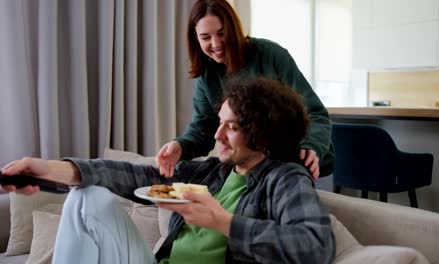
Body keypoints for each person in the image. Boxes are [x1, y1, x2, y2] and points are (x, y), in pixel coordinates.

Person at [1, 77, 336, 264]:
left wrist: (221, 221)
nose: (216, 136)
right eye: (219, 124)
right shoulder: (213, 172)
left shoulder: (285, 179)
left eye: (230, 128)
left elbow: (314, 246)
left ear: (263, 135)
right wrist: (43, 168)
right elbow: (134, 176)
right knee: (87, 196)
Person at [156, 0, 334, 180]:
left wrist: (312, 145)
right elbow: (203, 128)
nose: (216, 44)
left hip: (302, 165)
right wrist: (181, 146)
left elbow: (315, 114)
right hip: (254, 171)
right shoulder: (208, 75)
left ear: (233, 28)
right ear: (196, 38)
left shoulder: (271, 55)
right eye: (205, 37)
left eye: (221, 33)